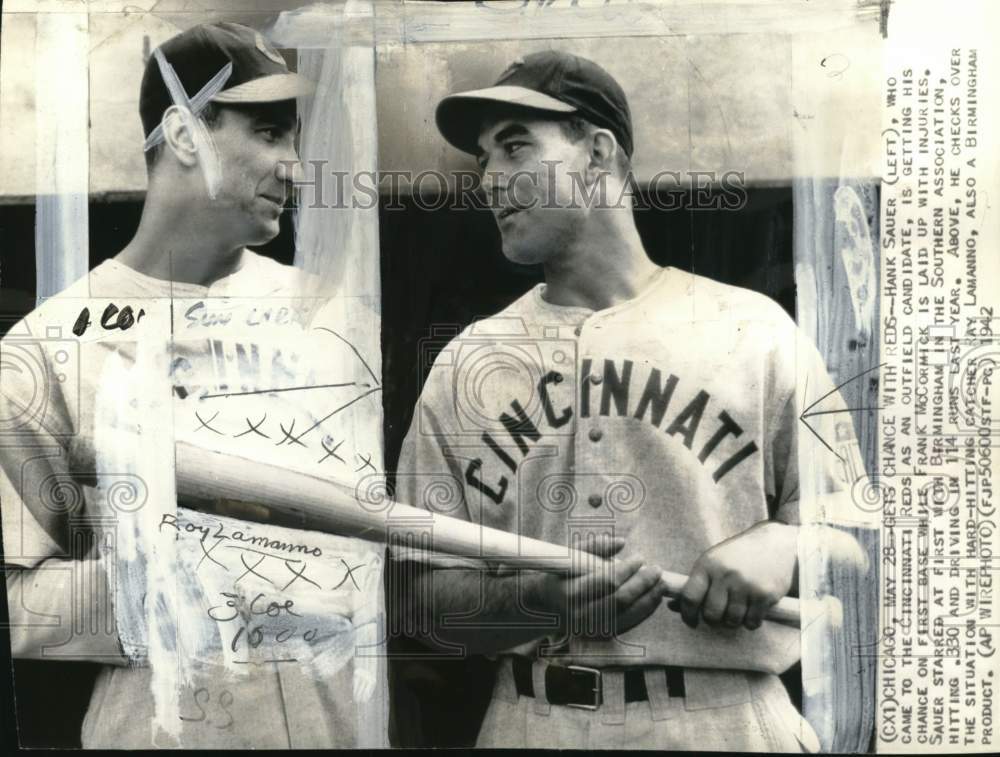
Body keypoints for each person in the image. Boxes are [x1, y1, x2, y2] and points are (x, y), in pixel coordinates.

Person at [394, 50, 863, 750]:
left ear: (599, 151)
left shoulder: (755, 329)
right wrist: (535, 602)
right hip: (535, 719)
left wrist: (790, 543)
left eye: (516, 145)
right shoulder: (467, 360)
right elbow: (419, 599)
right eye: (486, 157)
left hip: (725, 720)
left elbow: (865, 547)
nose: (490, 179)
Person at [0, 22, 384, 748]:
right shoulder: (46, 346)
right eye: (269, 132)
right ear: (184, 132)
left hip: (329, 723)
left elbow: (374, 562)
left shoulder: (334, 320)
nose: (294, 167)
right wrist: (165, 580)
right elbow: (15, 604)